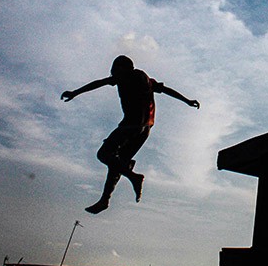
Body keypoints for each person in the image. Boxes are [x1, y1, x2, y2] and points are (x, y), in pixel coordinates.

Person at [61, 55, 200, 214]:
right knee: (117, 163)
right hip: (145, 130)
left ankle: (133, 176)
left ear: (123, 68)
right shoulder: (146, 79)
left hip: (131, 126)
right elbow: (166, 90)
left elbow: (99, 83)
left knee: (104, 154)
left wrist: (75, 92)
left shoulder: (127, 76)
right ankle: (105, 199)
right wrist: (187, 101)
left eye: (114, 70)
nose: (113, 74)